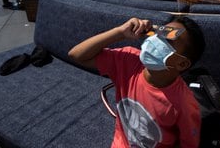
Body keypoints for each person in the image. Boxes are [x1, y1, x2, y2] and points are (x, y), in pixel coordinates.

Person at [68, 16, 206, 147]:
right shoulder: (128, 61)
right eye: (158, 33)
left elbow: (188, 144)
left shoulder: (184, 103)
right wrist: (119, 32)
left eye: (167, 40)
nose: (156, 40)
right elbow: (77, 55)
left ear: (182, 64)